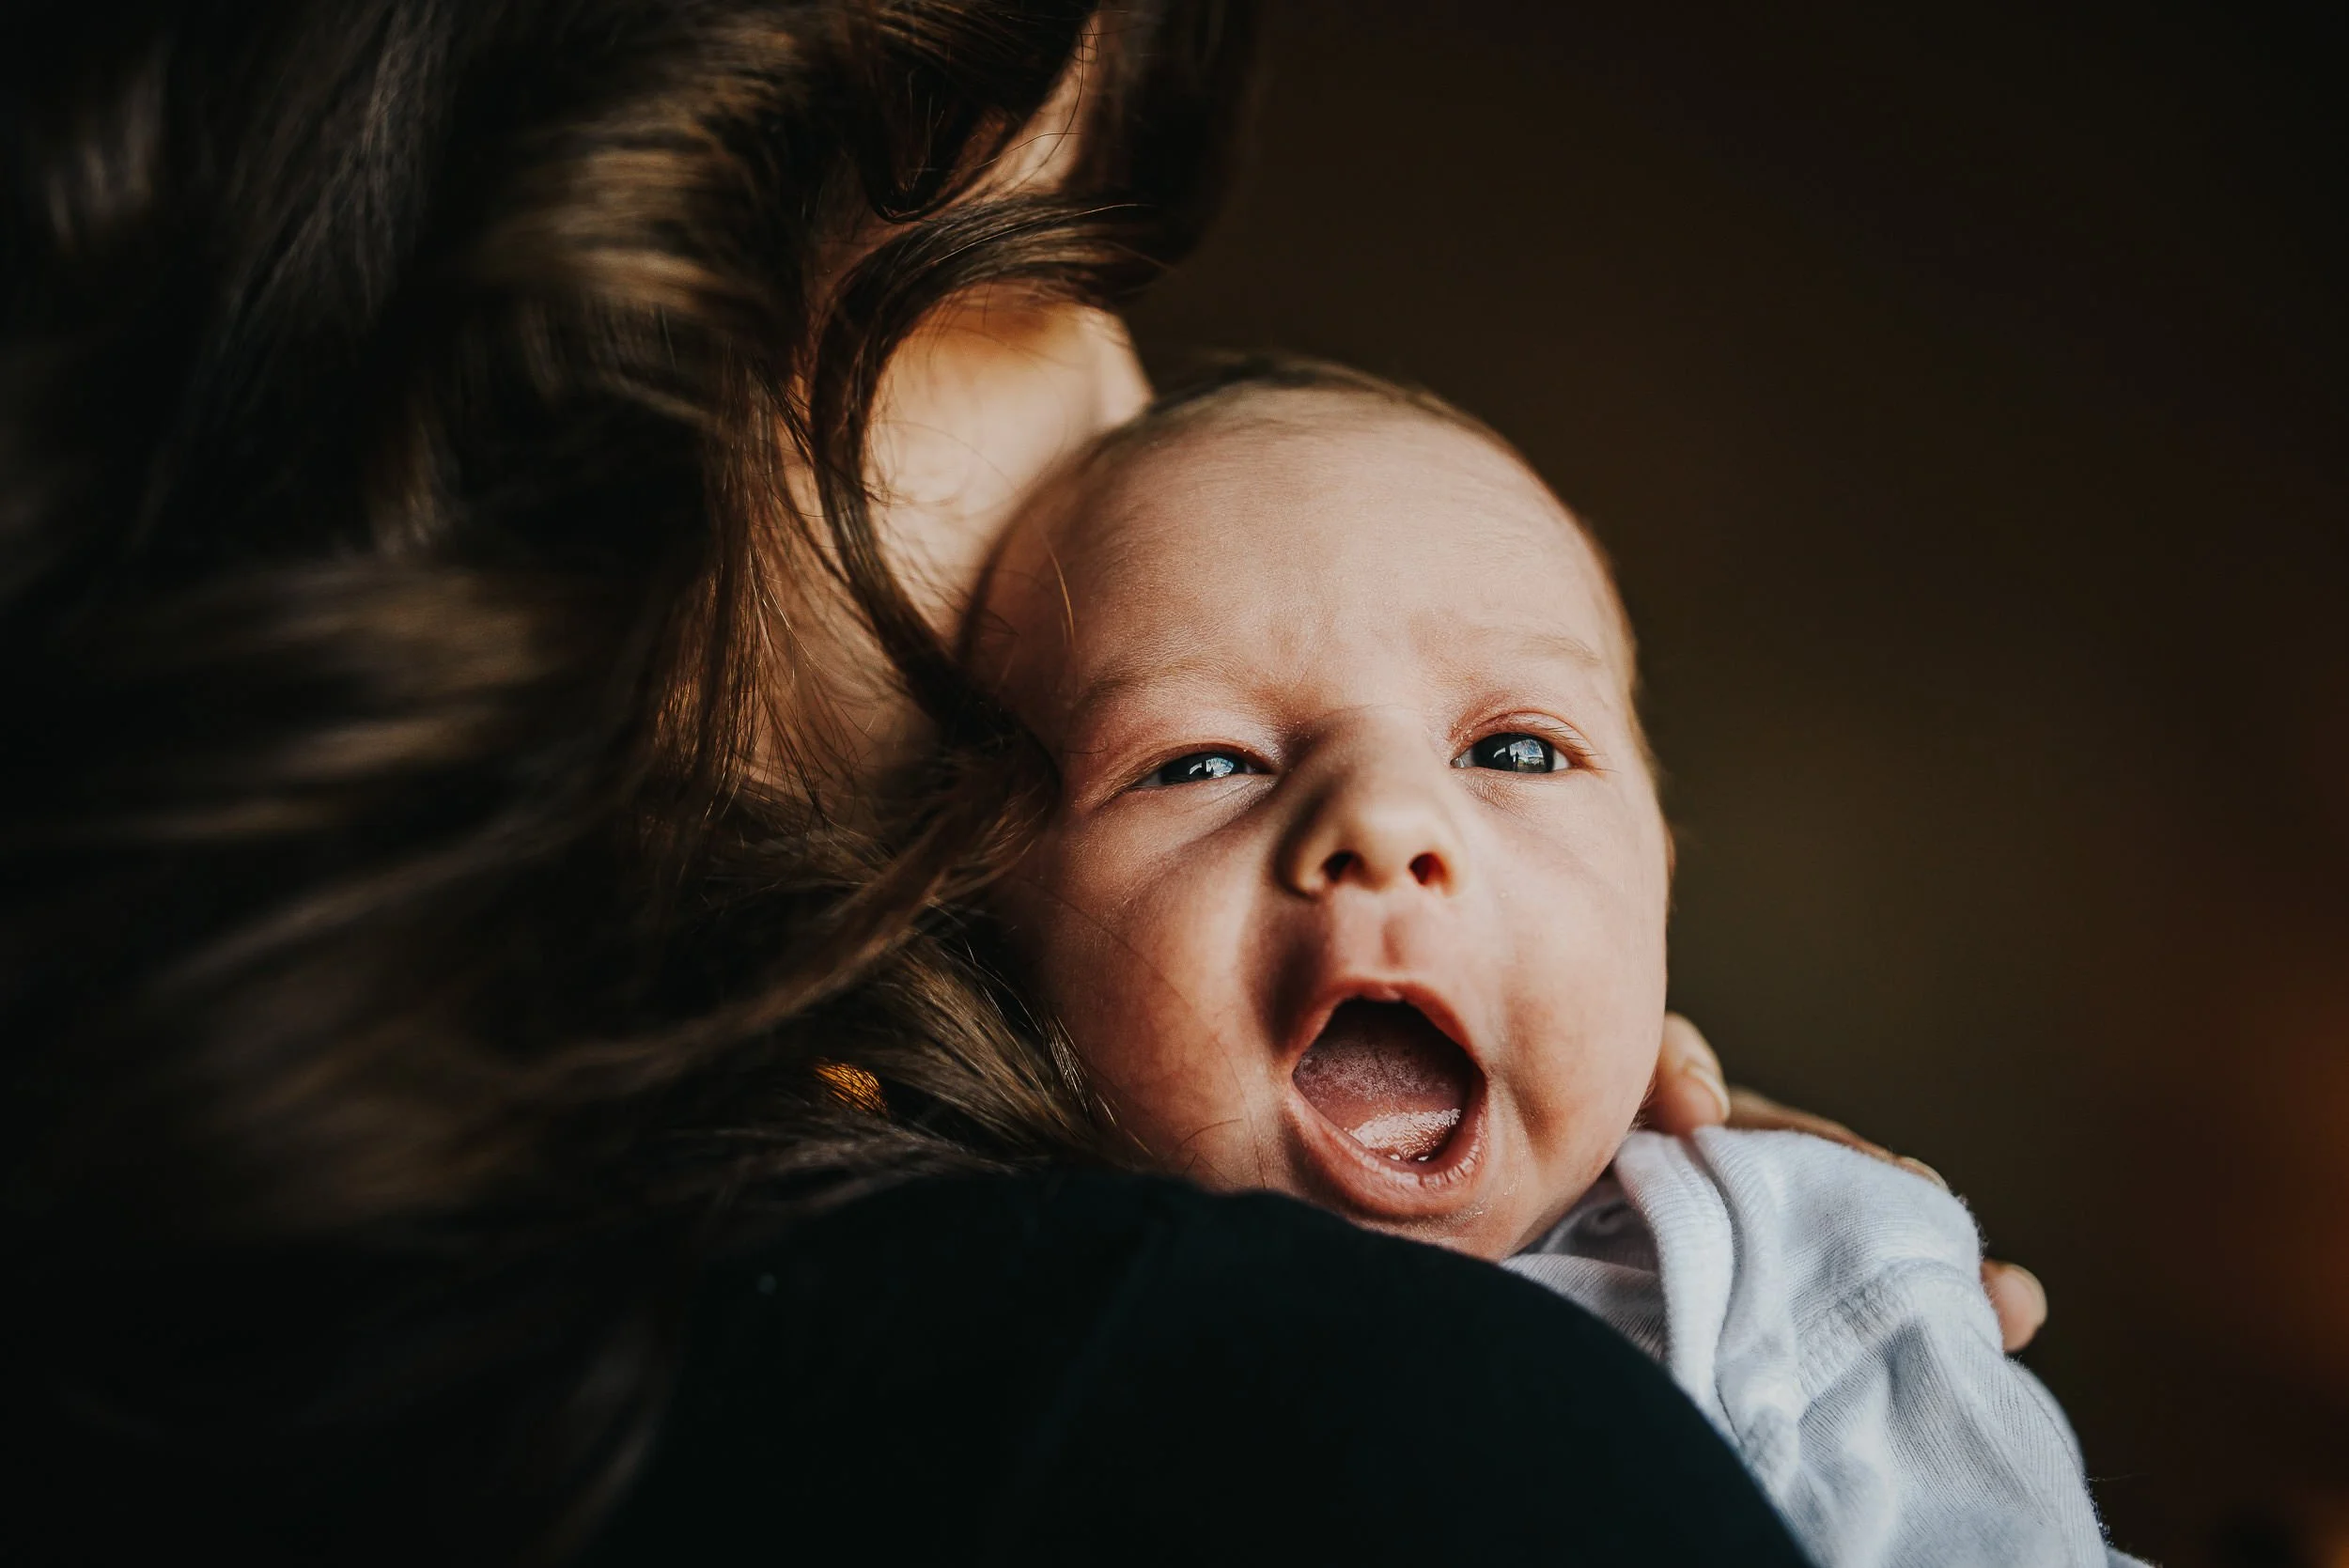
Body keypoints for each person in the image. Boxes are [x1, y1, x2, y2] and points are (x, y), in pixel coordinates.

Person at [0, 2, 2017, 1560]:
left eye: (1516, 750)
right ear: (572, 389)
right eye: (1009, 284)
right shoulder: (1290, 1432)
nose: (1126, 404)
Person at [970, 357, 2137, 1565]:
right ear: (988, 932)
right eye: (1203, 762)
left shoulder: (1792, 1277)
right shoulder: (975, 1324)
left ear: (1657, 895)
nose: (1385, 820)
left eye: (1517, 750)